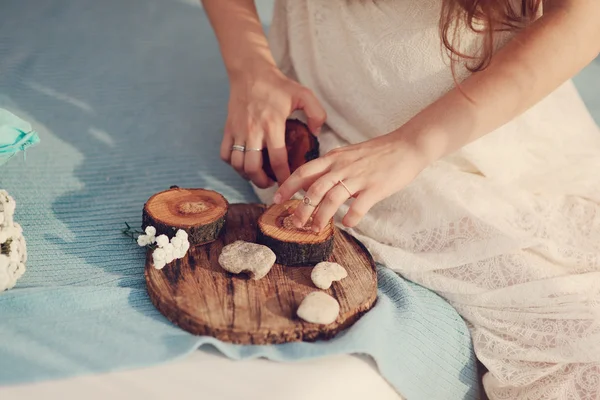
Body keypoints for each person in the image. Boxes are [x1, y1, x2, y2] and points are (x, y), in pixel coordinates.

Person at [202, 0, 600, 398]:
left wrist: (413, 145)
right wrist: (250, 69)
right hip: (333, 129)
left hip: (492, 143)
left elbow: (585, 14)